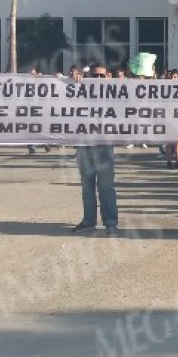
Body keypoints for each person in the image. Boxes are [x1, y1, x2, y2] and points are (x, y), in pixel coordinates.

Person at [72, 63, 119, 236]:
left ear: (108, 77)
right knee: (87, 186)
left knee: (106, 186)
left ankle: (111, 223)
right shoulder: (80, 90)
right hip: (84, 144)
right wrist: (74, 77)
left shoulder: (115, 93)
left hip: (104, 145)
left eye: (101, 76)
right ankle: (88, 220)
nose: (98, 79)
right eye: (94, 76)